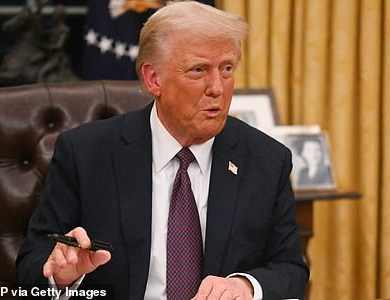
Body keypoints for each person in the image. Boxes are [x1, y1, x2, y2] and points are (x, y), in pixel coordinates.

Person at [16, 1, 309, 299]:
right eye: (199, 70)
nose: (217, 88)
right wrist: (61, 278)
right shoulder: (86, 154)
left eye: (227, 69)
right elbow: (31, 264)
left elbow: (291, 270)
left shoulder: (267, 160)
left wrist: (245, 286)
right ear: (153, 79)